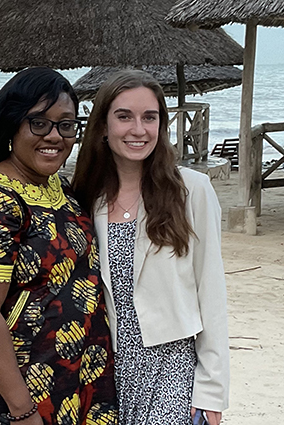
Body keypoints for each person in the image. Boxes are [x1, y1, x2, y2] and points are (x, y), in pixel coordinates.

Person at [0, 67, 119, 425]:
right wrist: (23, 411)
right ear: (12, 126)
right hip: (9, 392)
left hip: (70, 375)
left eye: (66, 124)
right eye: (39, 123)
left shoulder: (61, 190)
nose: (55, 136)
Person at [70, 70, 230, 425]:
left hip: (172, 369)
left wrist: (211, 391)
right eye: (124, 116)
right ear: (102, 126)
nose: (138, 129)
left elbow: (212, 291)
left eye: (150, 117)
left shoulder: (192, 190)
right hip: (102, 369)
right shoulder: (84, 197)